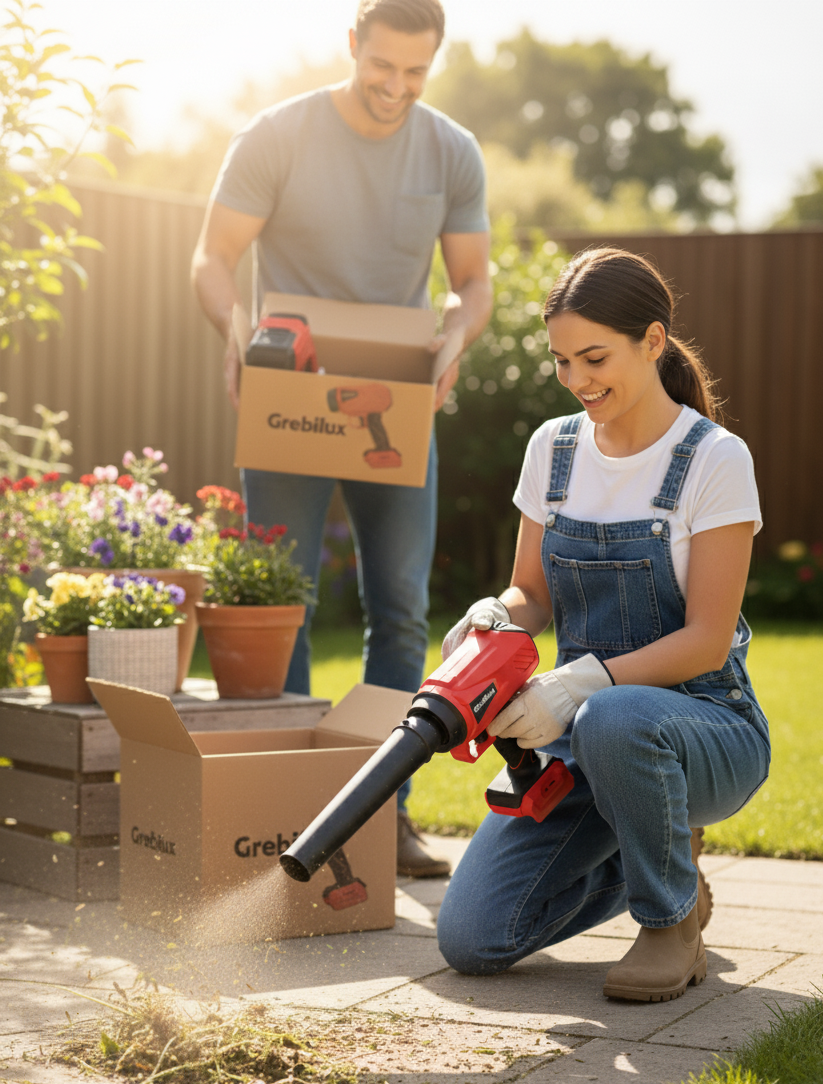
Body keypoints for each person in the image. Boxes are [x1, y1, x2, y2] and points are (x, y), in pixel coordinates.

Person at [191, 0, 492, 878]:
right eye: (382, 67)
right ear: (352, 44)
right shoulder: (276, 136)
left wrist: (455, 337)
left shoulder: (451, 150)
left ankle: (381, 815)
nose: (397, 88)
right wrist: (232, 327)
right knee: (287, 600)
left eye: (416, 73)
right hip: (292, 388)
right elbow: (212, 257)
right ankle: (283, 812)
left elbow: (471, 281)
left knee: (399, 608)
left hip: (392, 400)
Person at [436, 247, 771, 1001]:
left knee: (615, 718)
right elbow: (531, 592)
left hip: (705, 727)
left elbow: (707, 641)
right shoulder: (551, 450)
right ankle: (661, 856)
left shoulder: (714, 460)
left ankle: (670, 924)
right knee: (473, 938)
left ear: (652, 341)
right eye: (561, 362)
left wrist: (583, 681)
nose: (577, 381)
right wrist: (493, 616)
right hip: (581, 736)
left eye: (594, 357)